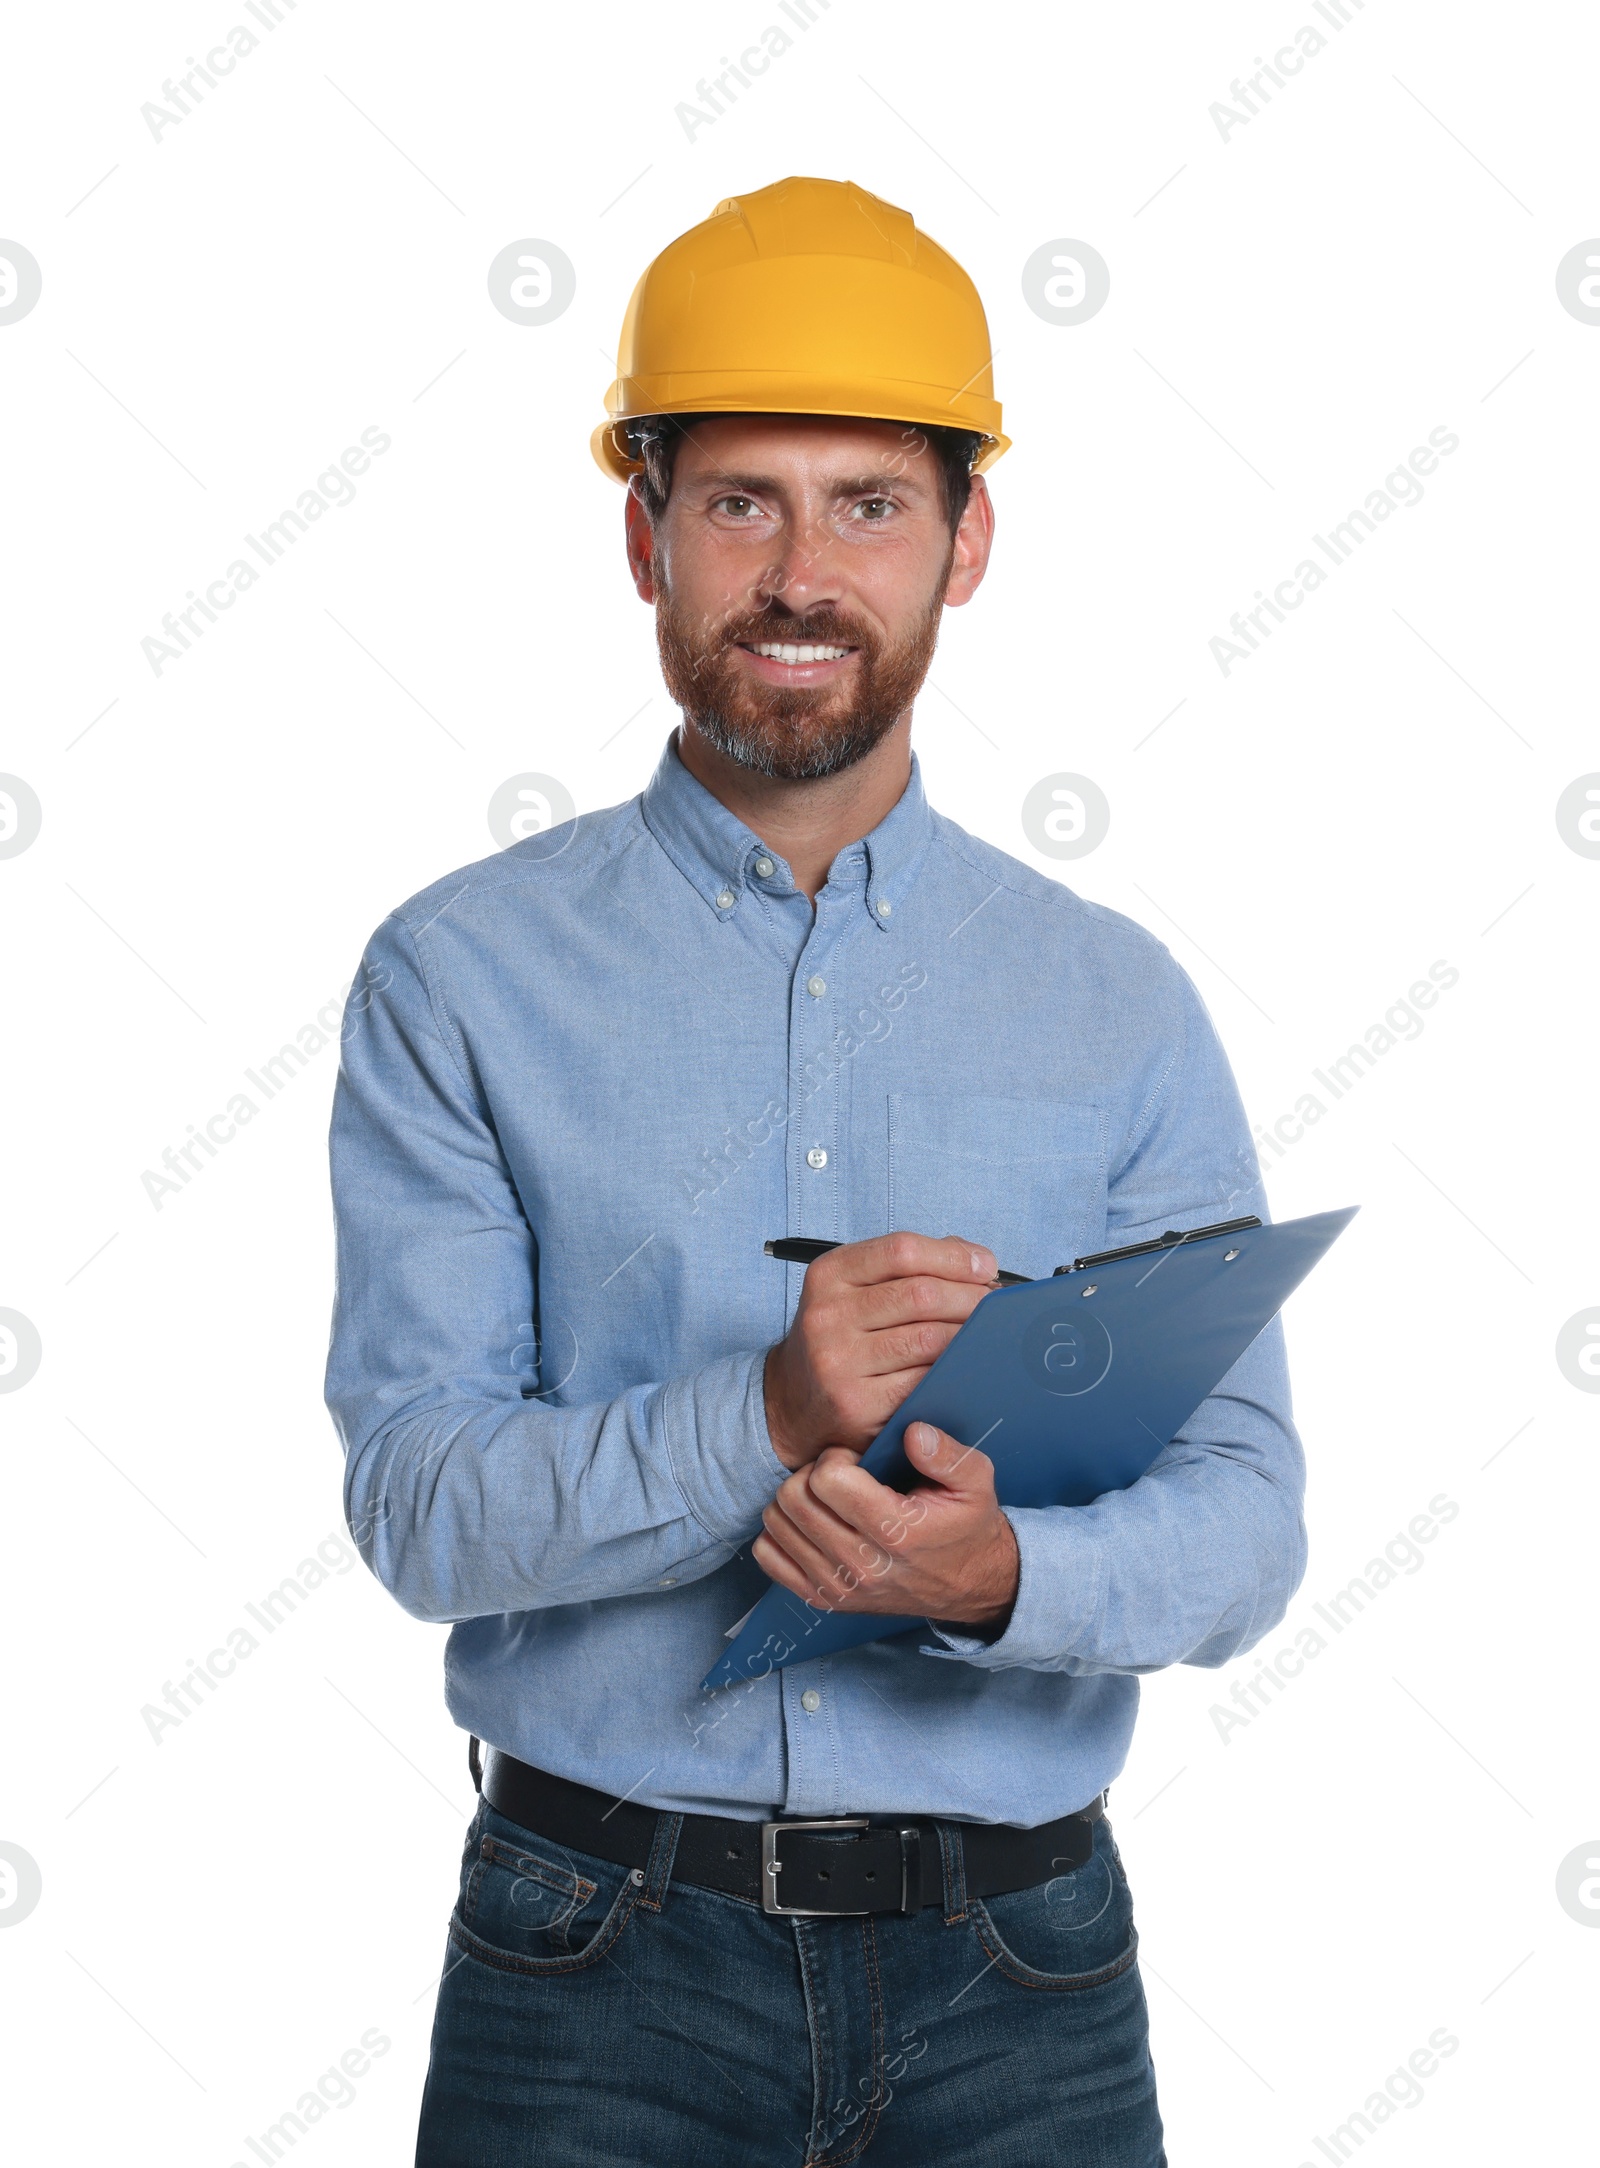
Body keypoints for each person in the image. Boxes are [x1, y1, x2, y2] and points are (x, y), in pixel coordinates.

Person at [324, 175, 1303, 2167]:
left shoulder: (1111, 1003)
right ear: (642, 536)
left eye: (867, 502)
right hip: (587, 1969)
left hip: (1017, 1972)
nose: (796, 573)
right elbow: (421, 1508)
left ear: (967, 542)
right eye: (736, 500)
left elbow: (1245, 1516)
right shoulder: (459, 977)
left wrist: (1011, 1574)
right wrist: (760, 1410)